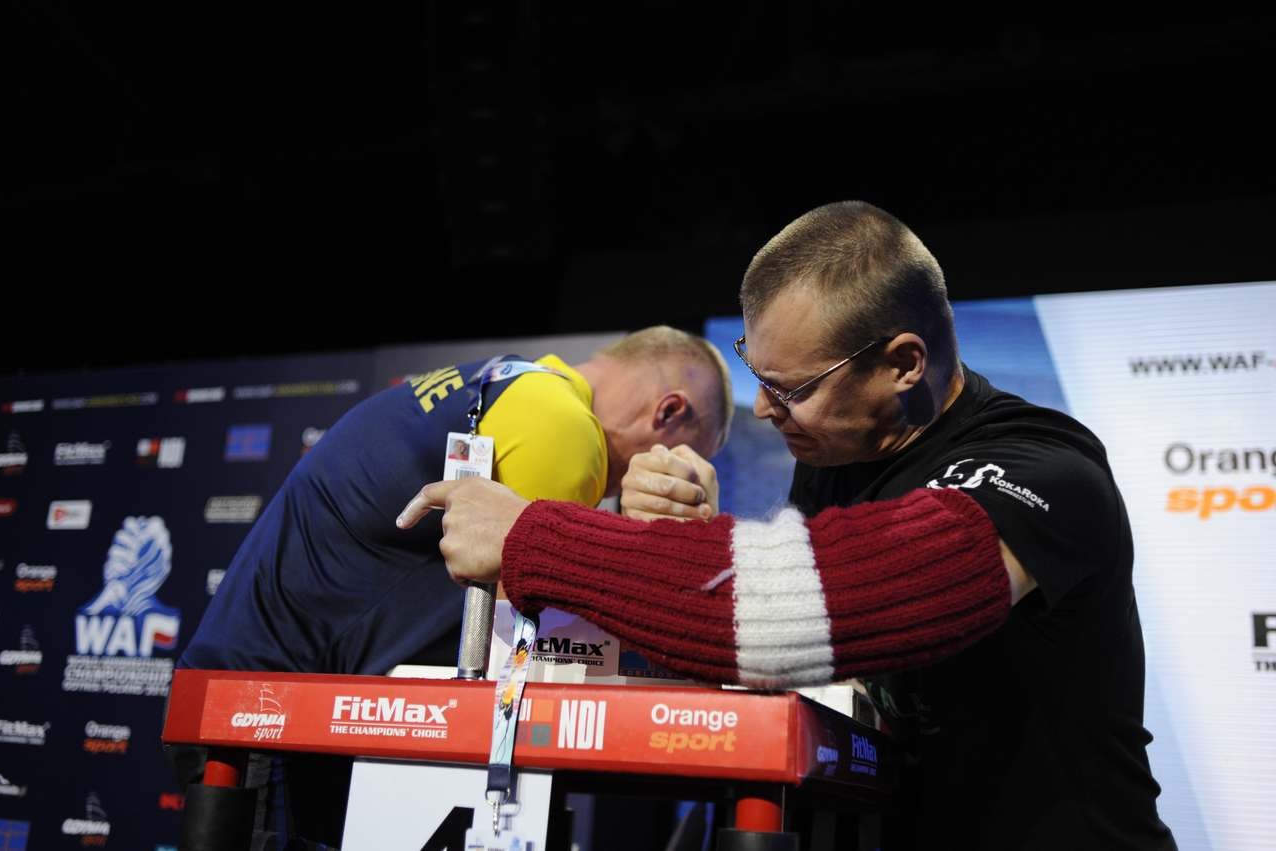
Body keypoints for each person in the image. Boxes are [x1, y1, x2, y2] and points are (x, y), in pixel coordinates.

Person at [404, 202, 1177, 850]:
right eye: (755, 373)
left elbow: (809, 609)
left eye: (789, 387)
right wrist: (684, 536)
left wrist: (531, 537)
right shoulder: (837, 458)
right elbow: (805, 660)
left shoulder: (1046, 468)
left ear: (904, 363)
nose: (765, 410)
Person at [172, 325, 732, 846]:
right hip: (271, 727)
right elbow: (533, 650)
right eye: (680, 460)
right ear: (668, 412)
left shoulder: (509, 384)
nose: (654, 481)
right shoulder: (562, 429)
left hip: (257, 707)